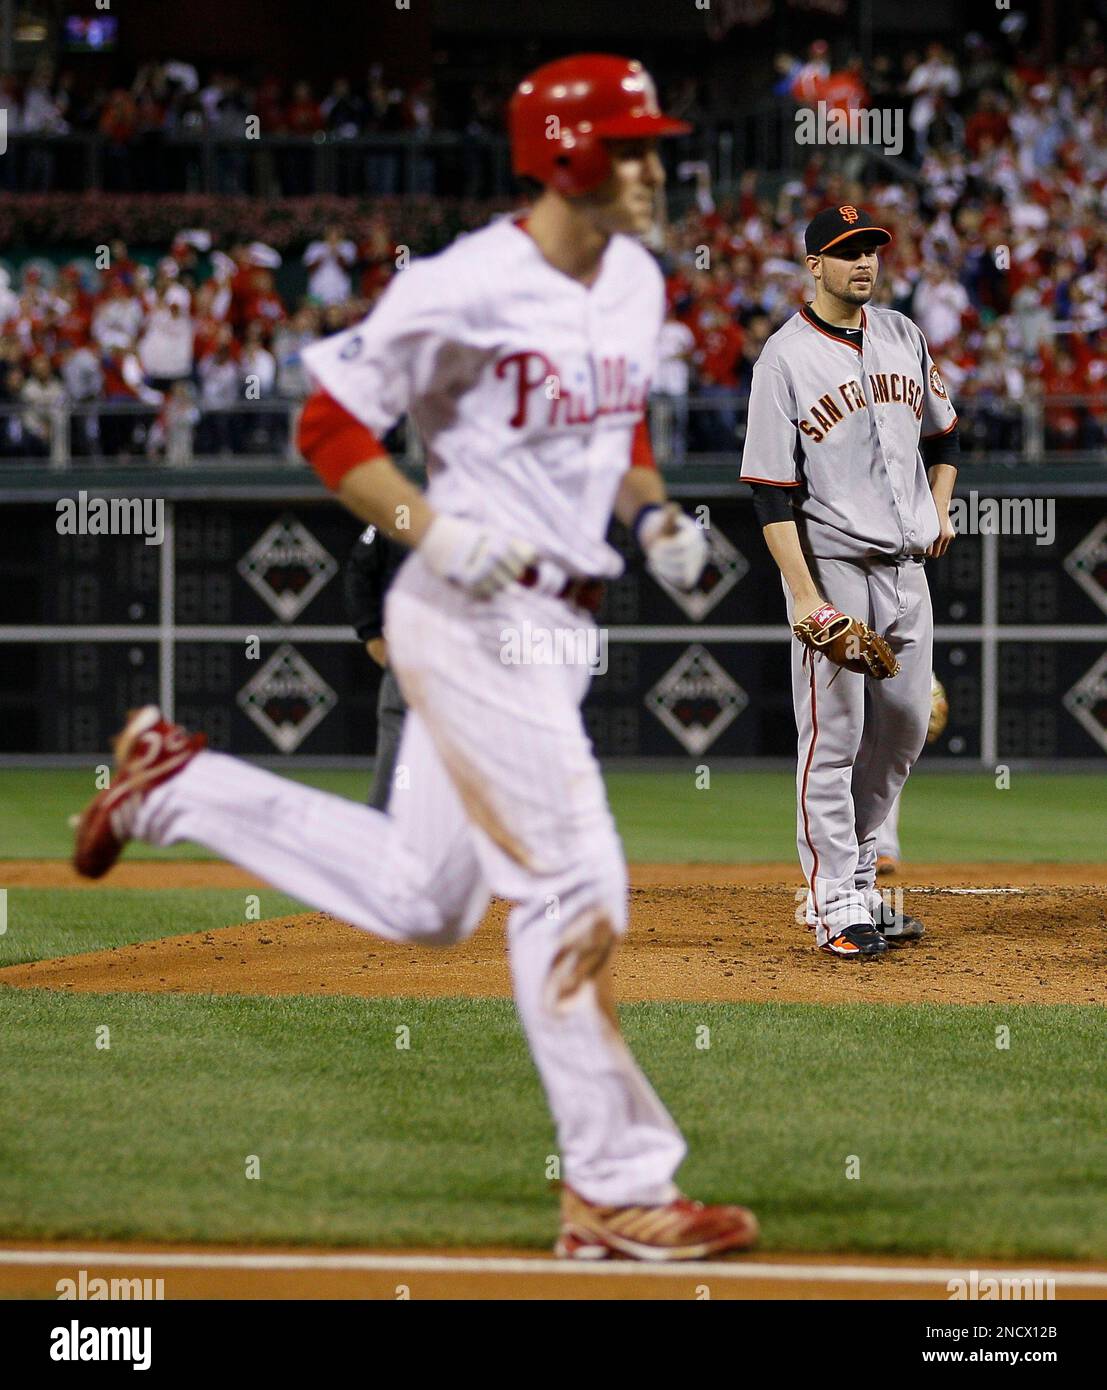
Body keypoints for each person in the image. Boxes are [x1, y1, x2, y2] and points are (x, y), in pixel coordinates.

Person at [73, 54, 758, 1262]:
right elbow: (327, 426)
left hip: (564, 622)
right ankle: (612, 1184)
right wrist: (433, 525)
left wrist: (651, 515)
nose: (658, 166)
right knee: (572, 881)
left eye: (656, 144)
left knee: (424, 897)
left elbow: (621, 423)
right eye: (636, 145)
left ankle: (179, 785)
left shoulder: (639, 280)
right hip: (469, 611)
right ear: (569, 152)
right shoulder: (465, 286)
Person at [741, 205, 959, 958]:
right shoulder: (783, 358)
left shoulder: (903, 334)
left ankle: (862, 882)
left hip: (907, 569)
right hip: (832, 563)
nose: (862, 262)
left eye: (869, 248)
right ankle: (834, 903)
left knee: (899, 732)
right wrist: (803, 594)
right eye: (844, 252)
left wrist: (940, 508)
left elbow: (945, 434)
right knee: (833, 741)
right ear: (814, 265)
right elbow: (769, 489)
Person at [342, 524, 408, 810]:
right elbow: (358, 571)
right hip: (413, 653)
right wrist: (371, 633)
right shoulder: (400, 510)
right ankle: (378, 832)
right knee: (397, 742)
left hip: (476, 657)